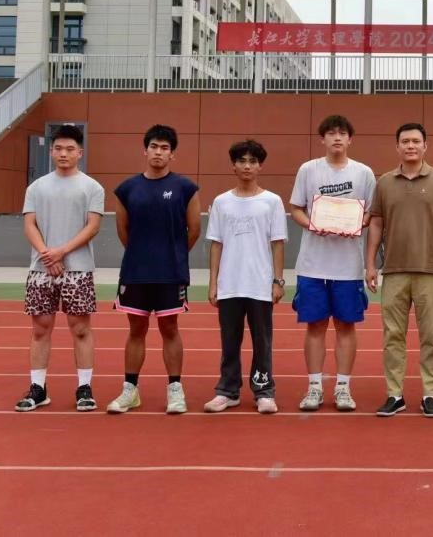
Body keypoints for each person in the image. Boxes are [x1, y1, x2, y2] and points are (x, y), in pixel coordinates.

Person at [365, 122, 433, 418]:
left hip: (430, 271)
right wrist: (370, 264)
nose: (410, 146)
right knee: (392, 335)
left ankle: (429, 394)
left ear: (425, 146)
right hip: (394, 271)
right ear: (397, 147)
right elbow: (376, 225)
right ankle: (394, 395)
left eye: (416, 141)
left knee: (431, 336)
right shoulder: (384, 182)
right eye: (405, 141)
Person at [106, 125, 201, 415]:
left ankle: (175, 389)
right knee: (136, 329)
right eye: (154, 147)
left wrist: (172, 255)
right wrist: (141, 255)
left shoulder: (186, 188)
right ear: (144, 150)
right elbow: (123, 231)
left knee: (170, 328)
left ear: (172, 154)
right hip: (136, 271)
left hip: (171, 272)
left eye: (164, 148)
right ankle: (130, 390)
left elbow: (194, 230)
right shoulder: (126, 189)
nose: (158, 152)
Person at [288, 114, 376, 413]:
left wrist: (357, 223)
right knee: (315, 325)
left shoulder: (364, 173)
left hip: (348, 267)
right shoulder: (308, 169)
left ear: (350, 139)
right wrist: (312, 224)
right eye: (331, 133)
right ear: (322, 139)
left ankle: (342, 388)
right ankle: (314, 387)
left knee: (345, 326)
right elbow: (296, 208)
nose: (337, 138)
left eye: (342, 133)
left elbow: (372, 213)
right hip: (313, 264)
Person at [15, 124, 105, 412]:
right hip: (41, 269)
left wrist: (61, 252)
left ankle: (84, 388)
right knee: (40, 328)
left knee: (80, 328)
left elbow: (92, 227)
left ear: (80, 153)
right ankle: (38, 388)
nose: (63, 153)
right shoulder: (36, 187)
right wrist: (47, 254)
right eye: (58, 148)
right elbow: (29, 224)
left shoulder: (92, 187)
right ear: (51, 152)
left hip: (78, 269)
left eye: (69, 149)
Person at [204, 139, 287, 414]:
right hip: (229, 284)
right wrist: (213, 282)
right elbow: (216, 244)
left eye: (253, 161)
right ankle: (228, 391)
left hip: (260, 284)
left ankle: (264, 391)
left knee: (262, 341)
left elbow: (278, 243)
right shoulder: (221, 202)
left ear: (260, 166)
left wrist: (278, 280)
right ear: (233, 166)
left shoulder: (272, 201)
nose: (247, 166)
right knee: (230, 341)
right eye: (242, 161)